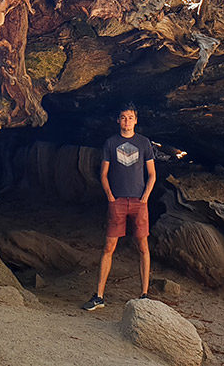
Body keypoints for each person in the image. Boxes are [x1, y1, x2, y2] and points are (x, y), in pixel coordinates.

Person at [81, 103, 156, 311]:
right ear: (118, 120)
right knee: (108, 247)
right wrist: (111, 197)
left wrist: (145, 198)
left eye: (130, 117)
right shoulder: (110, 143)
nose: (127, 121)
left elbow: (152, 174)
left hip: (139, 202)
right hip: (118, 202)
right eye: (123, 117)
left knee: (143, 247)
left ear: (136, 120)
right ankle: (99, 296)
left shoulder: (144, 143)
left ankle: (144, 295)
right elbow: (103, 174)